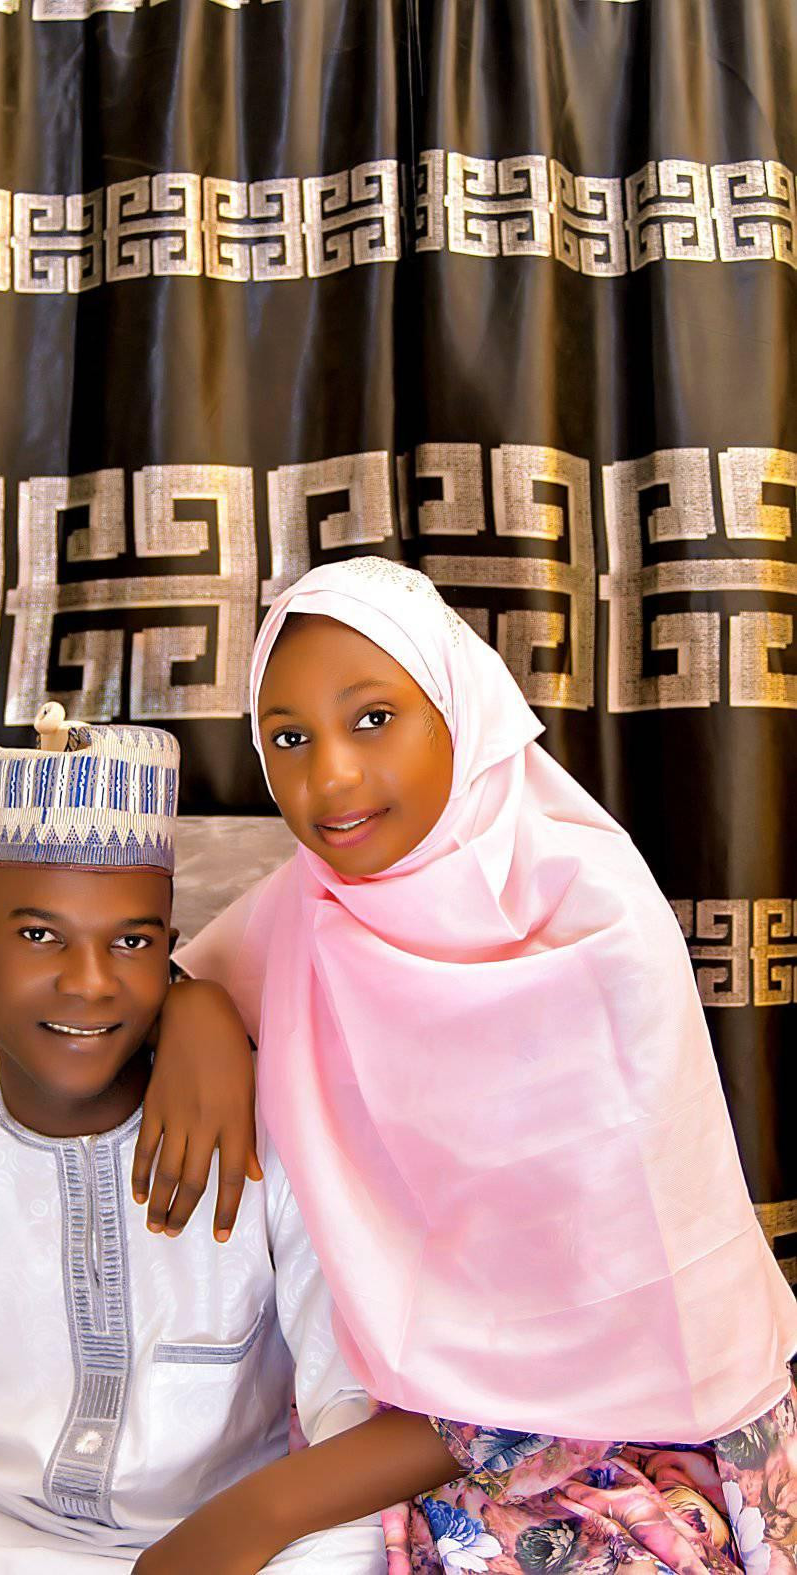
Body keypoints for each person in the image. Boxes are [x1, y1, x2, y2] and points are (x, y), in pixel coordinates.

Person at [136, 556, 797, 1575]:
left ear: (461, 712)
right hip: (403, 1442)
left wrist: (269, 1508)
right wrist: (195, 1009)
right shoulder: (313, 904)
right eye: (289, 738)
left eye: (372, 719)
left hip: (648, 1438)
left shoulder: (591, 926)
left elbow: (599, 1345)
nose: (330, 779)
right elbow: (195, 975)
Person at [0, 712, 458, 1575]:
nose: (89, 983)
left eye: (130, 942)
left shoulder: (276, 1139)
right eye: (39, 935)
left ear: (169, 953)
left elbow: (350, 1410)